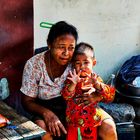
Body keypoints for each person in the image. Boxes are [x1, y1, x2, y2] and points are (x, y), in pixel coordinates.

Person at [20, 21, 117, 140]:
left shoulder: (78, 62)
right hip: (47, 108)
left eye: (71, 48)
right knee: (42, 130)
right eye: (61, 47)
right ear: (49, 44)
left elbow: (105, 92)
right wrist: (47, 114)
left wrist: (97, 96)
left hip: (79, 107)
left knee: (109, 127)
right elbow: (27, 101)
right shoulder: (34, 64)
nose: (66, 53)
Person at [61, 42, 116, 140]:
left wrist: (97, 85)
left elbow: (109, 96)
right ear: (73, 64)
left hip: (91, 122)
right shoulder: (72, 79)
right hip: (74, 121)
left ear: (93, 63)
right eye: (78, 63)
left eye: (86, 62)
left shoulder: (95, 79)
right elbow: (66, 96)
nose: (82, 66)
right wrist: (73, 84)